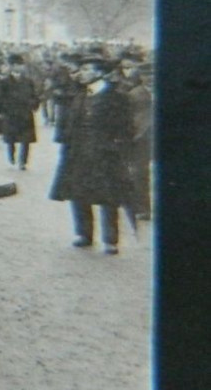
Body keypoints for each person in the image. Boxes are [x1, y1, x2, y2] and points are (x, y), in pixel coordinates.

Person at [49, 49, 134, 255]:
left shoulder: (116, 98)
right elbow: (70, 125)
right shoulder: (79, 96)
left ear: (100, 73)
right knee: (78, 194)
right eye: (83, 69)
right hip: (78, 153)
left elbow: (126, 128)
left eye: (87, 69)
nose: (82, 73)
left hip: (105, 155)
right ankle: (84, 234)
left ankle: (110, 240)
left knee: (108, 198)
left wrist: (115, 147)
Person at [0, 53, 39, 170]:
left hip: (25, 113)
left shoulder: (28, 81)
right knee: (11, 138)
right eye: (18, 65)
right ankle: (11, 155)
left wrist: (34, 103)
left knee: (25, 139)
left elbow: (34, 95)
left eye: (21, 65)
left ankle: (23, 162)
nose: (21, 67)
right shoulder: (4, 82)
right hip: (11, 113)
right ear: (12, 66)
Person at [120, 53, 153, 221]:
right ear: (141, 77)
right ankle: (143, 208)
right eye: (147, 76)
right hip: (142, 138)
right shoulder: (134, 94)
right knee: (140, 173)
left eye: (154, 75)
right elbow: (127, 117)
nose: (151, 79)